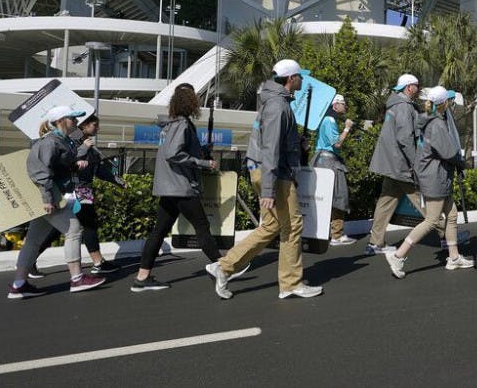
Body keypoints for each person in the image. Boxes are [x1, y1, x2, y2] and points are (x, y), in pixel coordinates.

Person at [207, 59, 322, 300]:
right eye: (300, 76)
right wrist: (269, 190)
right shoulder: (278, 107)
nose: (302, 79)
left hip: (265, 170)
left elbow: (271, 143)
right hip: (275, 173)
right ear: (291, 79)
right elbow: (271, 150)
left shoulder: (271, 103)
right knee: (292, 226)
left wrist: (295, 145)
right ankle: (291, 283)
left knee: (271, 226)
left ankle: (224, 267)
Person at [132, 83, 237, 291]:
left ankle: (142, 278)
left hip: (168, 186)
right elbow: (173, 153)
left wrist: (201, 150)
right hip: (181, 186)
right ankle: (223, 267)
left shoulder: (170, 124)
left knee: (159, 231)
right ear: (189, 102)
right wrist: (205, 163)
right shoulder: (182, 124)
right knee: (202, 227)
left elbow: (176, 150)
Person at [7, 105, 106, 299]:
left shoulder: (62, 141)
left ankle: (19, 285)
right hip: (50, 197)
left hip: (50, 197)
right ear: (60, 120)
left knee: (33, 241)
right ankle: (77, 278)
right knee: (74, 229)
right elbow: (40, 171)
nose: (76, 122)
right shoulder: (50, 142)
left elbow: (61, 165)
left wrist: (76, 164)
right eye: (72, 118)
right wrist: (47, 198)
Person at [385, 86, 474, 278]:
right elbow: (448, 152)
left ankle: (454, 257)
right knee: (432, 220)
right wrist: (462, 162)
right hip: (435, 177)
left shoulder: (430, 120)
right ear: (445, 103)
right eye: (449, 101)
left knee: (451, 214)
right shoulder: (437, 125)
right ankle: (398, 255)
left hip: (436, 175)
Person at [28, 114, 123, 278]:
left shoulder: (89, 145)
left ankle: (30, 261)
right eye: (95, 125)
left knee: (60, 229)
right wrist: (84, 148)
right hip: (75, 190)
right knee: (88, 223)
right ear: (84, 126)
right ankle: (97, 263)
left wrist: (117, 180)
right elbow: (65, 162)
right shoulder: (70, 142)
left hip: (83, 189)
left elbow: (97, 168)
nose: (98, 128)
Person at [364, 73, 425, 255]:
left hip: (390, 164)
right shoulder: (404, 107)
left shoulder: (394, 105)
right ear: (408, 88)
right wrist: (415, 163)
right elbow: (405, 139)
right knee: (425, 200)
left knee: (385, 202)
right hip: (401, 165)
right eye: (417, 86)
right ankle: (447, 236)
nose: (418, 89)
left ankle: (375, 243)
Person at [312, 94, 355, 246]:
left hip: (322, 160)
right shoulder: (330, 120)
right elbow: (337, 143)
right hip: (329, 162)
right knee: (339, 195)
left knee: (325, 198)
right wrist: (347, 129)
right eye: (343, 103)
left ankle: (326, 232)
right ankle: (337, 235)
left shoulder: (326, 119)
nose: (345, 106)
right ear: (335, 105)